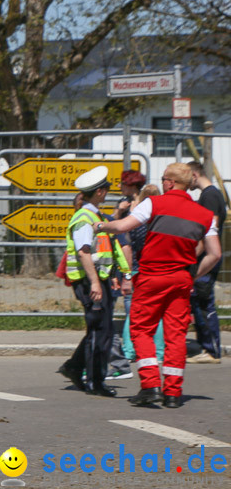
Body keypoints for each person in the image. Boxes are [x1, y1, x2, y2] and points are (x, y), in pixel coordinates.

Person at [97, 162, 222, 408]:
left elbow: (123, 226)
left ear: (170, 182)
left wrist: (101, 226)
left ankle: (151, 386)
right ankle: (173, 393)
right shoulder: (205, 215)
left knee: (141, 329)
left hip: (152, 277)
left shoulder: (154, 203)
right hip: (181, 280)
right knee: (176, 335)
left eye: (164, 178)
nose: (163, 182)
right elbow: (215, 254)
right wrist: (194, 275)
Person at [57, 166, 132, 397]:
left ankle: (74, 367)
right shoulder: (84, 218)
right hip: (91, 282)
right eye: (107, 188)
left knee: (101, 329)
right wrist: (96, 284)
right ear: (99, 192)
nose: (109, 191)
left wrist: (124, 274)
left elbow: (111, 249)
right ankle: (95, 382)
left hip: (99, 280)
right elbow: (83, 252)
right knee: (101, 331)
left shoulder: (96, 216)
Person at [186, 160, 227, 364]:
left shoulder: (210, 196)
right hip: (205, 256)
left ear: (194, 175)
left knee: (203, 302)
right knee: (199, 301)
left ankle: (211, 350)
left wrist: (193, 256)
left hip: (206, 257)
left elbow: (209, 230)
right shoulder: (209, 195)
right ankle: (206, 347)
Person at [121, 183, 165, 365]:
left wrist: (127, 273)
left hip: (139, 268)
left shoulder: (137, 221)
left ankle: (129, 350)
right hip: (160, 268)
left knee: (134, 312)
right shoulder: (162, 221)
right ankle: (159, 351)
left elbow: (128, 246)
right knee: (159, 313)